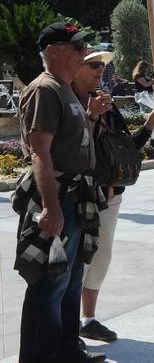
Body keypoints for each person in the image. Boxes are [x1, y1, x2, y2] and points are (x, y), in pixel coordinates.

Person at [13, 22, 106, 362]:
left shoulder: (66, 89)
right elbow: (40, 151)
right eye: (78, 47)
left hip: (75, 201)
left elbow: (76, 146)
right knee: (49, 284)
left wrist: (92, 117)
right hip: (60, 201)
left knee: (68, 281)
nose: (85, 53)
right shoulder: (45, 90)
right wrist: (50, 208)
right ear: (53, 51)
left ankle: (67, 350)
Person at [71, 49, 154, 343]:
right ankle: (67, 324)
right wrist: (90, 116)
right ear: (76, 67)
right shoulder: (67, 101)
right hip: (80, 195)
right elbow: (70, 147)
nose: (100, 70)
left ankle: (89, 319)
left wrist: (149, 124)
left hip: (110, 197)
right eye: (93, 65)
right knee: (75, 262)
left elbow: (126, 148)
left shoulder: (108, 105)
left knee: (101, 257)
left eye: (102, 66)